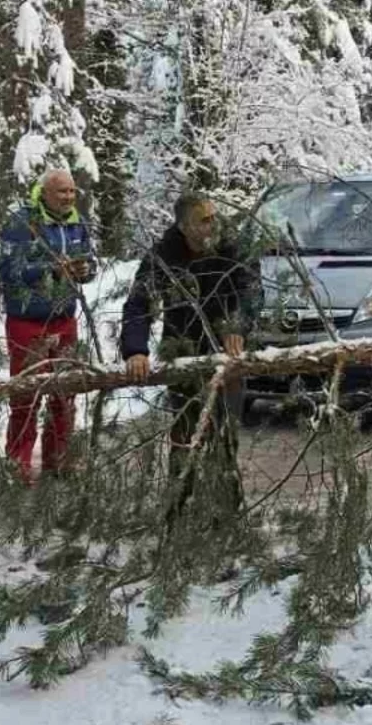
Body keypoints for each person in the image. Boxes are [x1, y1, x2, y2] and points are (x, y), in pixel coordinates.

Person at [119, 193, 257, 523]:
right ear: (184, 227)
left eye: (214, 216)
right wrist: (135, 350)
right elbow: (138, 305)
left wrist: (237, 325)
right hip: (181, 350)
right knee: (184, 436)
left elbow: (251, 290)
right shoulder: (164, 256)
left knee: (224, 436)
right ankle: (177, 510)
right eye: (204, 220)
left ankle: (226, 515)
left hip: (228, 353)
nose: (214, 224)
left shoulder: (231, 245)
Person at [0, 168, 96, 483]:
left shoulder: (76, 222)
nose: (68, 197)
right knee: (27, 394)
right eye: (61, 192)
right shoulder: (23, 222)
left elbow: (88, 261)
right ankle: (19, 462)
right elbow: (9, 270)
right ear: (44, 193)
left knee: (66, 391)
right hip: (28, 321)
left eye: (71, 191)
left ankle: (59, 457)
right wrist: (52, 268)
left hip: (65, 317)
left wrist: (85, 270)